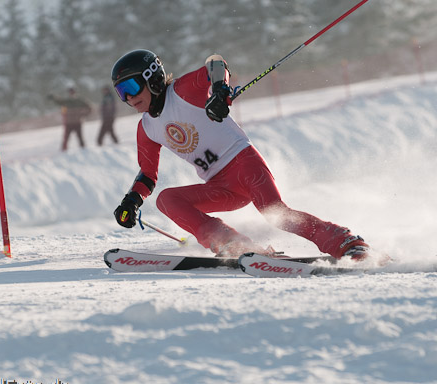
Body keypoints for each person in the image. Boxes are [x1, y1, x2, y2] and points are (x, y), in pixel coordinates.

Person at [110, 49, 369, 260]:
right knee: (166, 200)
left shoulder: (183, 91)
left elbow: (216, 62)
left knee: (274, 212)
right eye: (121, 93)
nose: (128, 98)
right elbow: (148, 174)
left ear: (152, 78)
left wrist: (220, 92)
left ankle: (345, 242)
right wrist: (132, 200)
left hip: (244, 164)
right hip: (221, 186)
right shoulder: (146, 128)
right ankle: (233, 244)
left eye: (131, 87)